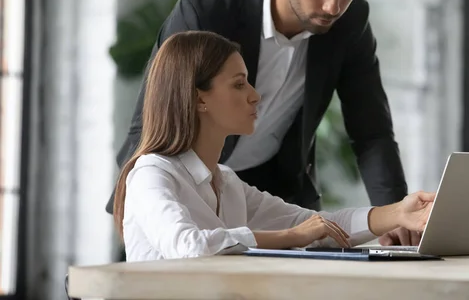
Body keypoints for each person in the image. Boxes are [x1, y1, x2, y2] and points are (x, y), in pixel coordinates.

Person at [108, 0, 418, 245]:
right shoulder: (208, 10)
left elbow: (371, 129)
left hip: (261, 188)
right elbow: (153, 115)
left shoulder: (350, 21)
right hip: (182, 182)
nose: (333, 7)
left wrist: (396, 214)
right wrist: (142, 201)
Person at [113, 31, 434, 261]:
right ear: (200, 99)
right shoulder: (151, 174)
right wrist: (291, 238)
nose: (255, 95)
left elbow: (316, 226)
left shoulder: (226, 182)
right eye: (239, 84)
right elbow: (188, 247)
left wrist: (399, 213)